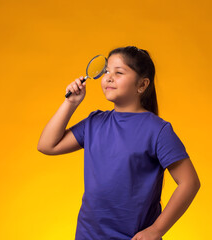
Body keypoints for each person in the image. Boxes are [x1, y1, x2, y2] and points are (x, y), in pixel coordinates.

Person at [37, 46, 201, 240]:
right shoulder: (94, 123)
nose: (108, 77)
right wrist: (70, 103)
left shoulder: (157, 130)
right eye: (106, 71)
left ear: (142, 85)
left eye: (119, 72)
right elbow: (47, 145)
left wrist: (156, 230)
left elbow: (189, 183)